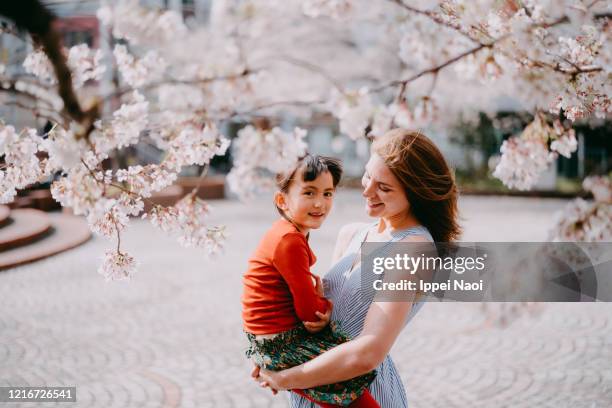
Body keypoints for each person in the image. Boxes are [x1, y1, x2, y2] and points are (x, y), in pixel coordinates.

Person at [253, 129, 462, 407]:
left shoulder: (414, 249)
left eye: (383, 188)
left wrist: (284, 378)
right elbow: (321, 320)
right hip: (315, 389)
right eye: (367, 176)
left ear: (415, 193)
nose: (366, 190)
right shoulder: (351, 234)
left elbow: (369, 352)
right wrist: (270, 352)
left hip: (363, 392)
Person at [242, 154, 380, 407]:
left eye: (328, 194)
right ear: (282, 200)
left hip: (269, 341)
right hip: (282, 343)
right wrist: (325, 308)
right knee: (354, 393)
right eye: (309, 192)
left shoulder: (285, 233)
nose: (320, 203)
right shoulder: (289, 240)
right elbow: (309, 312)